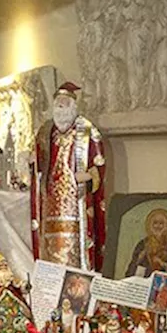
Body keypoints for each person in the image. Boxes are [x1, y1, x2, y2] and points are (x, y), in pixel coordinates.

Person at [31, 81, 106, 271]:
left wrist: (89, 176)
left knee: (75, 247)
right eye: (58, 104)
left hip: (75, 204)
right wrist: (31, 162)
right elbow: (38, 162)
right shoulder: (45, 132)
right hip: (51, 205)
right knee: (51, 249)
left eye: (65, 104)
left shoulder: (88, 131)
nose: (61, 109)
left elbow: (99, 164)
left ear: (73, 107)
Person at [125, 206, 167, 277]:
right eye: (155, 223)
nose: (158, 226)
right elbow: (133, 266)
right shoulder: (143, 243)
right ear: (150, 225)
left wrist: (163, 264)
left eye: (161, 223)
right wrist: (141, 256)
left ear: (165, 226)